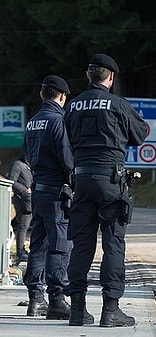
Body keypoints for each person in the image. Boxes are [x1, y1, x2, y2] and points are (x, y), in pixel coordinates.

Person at [63, 53, 147, 327]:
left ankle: (77, 311)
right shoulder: (118, 104)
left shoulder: (73, 106)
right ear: (110, 77)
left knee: (81, 245)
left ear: (89, 76)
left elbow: (66, 140)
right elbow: (140, 133)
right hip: (110, 180)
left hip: (81, 181)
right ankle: (110, 310)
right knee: (112, 245)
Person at [21, 75, 74, 320]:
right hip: (55, 190)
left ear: (42, 94)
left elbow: (26, 156)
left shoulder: (32, 122)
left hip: (38, 189)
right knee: (59, 245)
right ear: (61, 96)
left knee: (38, 245)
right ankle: (57, 299)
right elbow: (66, 159)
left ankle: (35, 299)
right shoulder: (58, 121)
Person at [6, 155, 33, 263]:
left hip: (29, 200)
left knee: (25, 225)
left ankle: (22, 250)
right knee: (22, 225)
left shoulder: (28, 166)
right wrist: (24, 190)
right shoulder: (18, 165)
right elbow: (11, 181)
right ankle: (20, 251)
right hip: (21, 199)